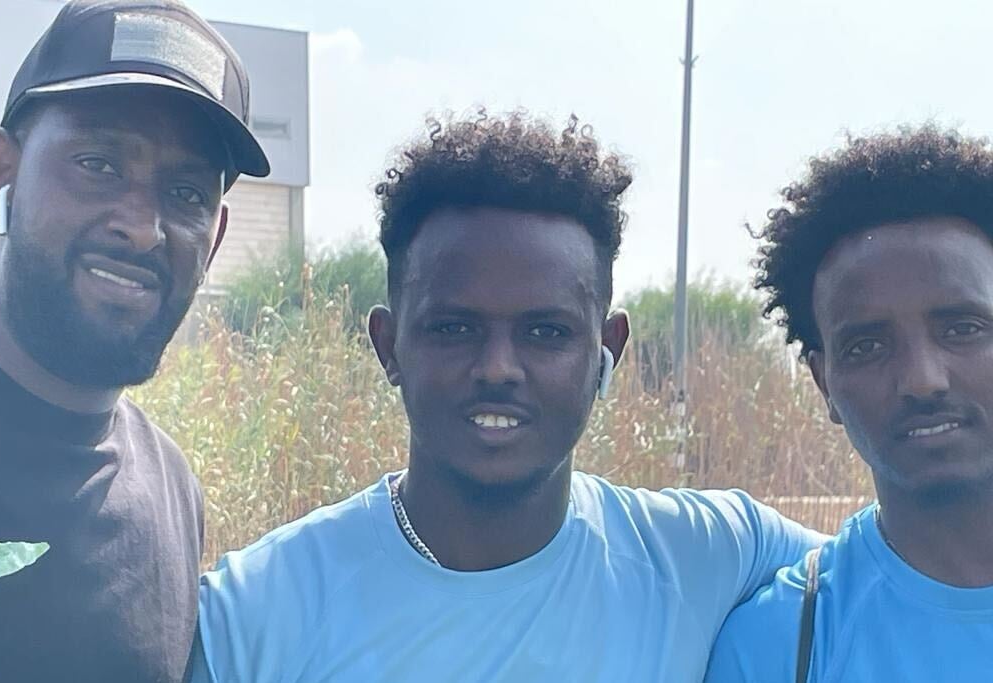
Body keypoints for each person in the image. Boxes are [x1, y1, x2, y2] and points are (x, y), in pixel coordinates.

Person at [191, 111, 824, 683]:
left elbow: (899, 579)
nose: (498, 368)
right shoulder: (252, 616)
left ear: (608, 350)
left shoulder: (710, 557)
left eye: (546, 333)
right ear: (389, 346)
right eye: (454, 328)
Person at [0, 1, 269, 681]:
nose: (142, 226)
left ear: (214, 240)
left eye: (185, 192)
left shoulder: (172, 490)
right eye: (98, 163)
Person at [705, 126, 993, 682]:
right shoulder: (782, 643)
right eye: (867, 346)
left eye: (962, 328)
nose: (923, 379)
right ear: (824, 384)